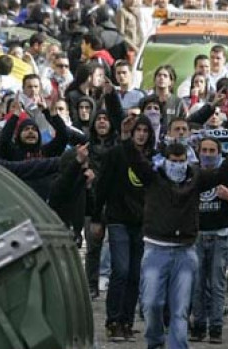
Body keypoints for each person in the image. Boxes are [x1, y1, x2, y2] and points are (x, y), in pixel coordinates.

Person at [128, 132, 228, 349]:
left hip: (185, 251)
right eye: (173, 161)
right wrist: (126, 136)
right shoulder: (153, 177)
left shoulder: (196, 178)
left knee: (180, 309)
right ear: (165, 161)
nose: (178, 166)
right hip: (156, 249)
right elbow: (134, 158)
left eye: (181, 161)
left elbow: (221, 174)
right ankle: (154, 341)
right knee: (151, 303)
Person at [91, 116, 155, 342]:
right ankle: (113, 321)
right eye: (138, 130)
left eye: (146, 130)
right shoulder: (116, 154)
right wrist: (97, 217)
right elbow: (102, 186)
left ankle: (127, 321)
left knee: (136, 274)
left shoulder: (151, 158)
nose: (141, 134)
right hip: (118, 219)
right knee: (121, 270)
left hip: (142, 223)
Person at [189, 137, 228, 344]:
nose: (208, 154)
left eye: (212, 150)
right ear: (198, 151)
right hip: (197, 236)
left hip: (221, 235)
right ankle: (198, 325)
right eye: (205, 150)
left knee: (217, 284)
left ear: (219, 153)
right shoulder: (191, 174)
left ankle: (216, 328)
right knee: (197, 284)